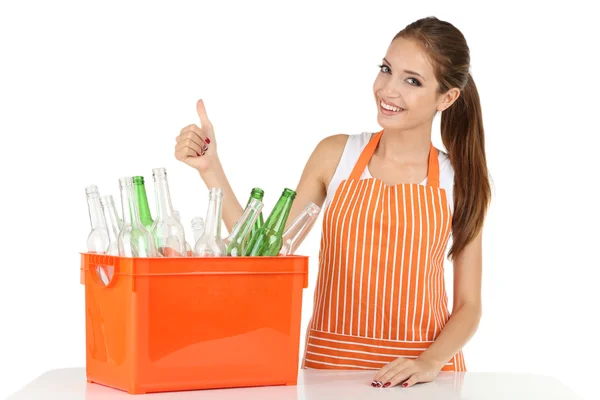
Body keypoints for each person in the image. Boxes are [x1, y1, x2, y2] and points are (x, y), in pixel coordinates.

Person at [174, 16, 491, 389]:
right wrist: (210, 169)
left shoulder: (459, 179)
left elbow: (469, 305)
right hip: (331, 366)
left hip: (425, 378)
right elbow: (263, 248)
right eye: (386, 70)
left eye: (412, 81)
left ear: (447, 97)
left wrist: (429, 362)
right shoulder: (335, 155)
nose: (388, 89)